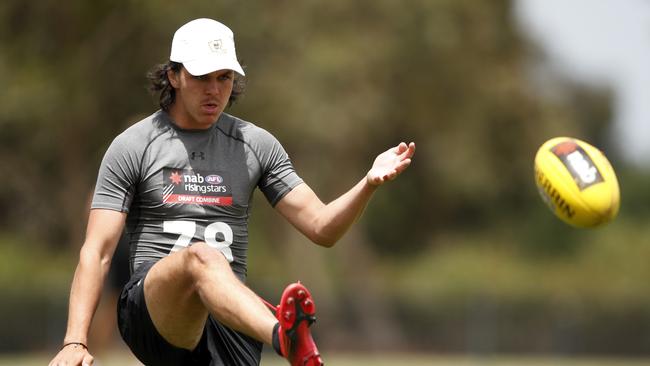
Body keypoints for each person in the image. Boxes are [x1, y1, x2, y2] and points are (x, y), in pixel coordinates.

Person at [48, 18, 415, 366]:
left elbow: (322, 228)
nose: (214, 90)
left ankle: (281, 334)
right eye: (201, 77)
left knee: (210, 266)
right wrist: (74, 342)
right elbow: (96, 252)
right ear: (173, 76)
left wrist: (367, 184)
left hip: (224, 324)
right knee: (201, 258)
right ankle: (285, 337)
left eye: (224, 78)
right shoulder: (134, 145)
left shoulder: (255, 145)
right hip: (151, 313)